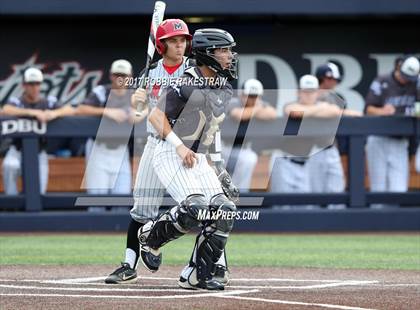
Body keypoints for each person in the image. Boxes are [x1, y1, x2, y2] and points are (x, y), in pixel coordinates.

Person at [104, 20, 234, 285]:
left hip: (189, 145)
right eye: (174, 41)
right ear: (161, 45)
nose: (180, 45)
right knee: (143, 209)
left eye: (183, 40)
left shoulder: (195, 67)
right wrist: (136, 100)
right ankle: (129, 263)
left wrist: (216, 163)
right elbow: (145, 112)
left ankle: (212, 265)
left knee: (215, 207)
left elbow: (207, 122)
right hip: (158, 142)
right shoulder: (150, 71)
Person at [137, 28, 239, 290]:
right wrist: (180, 146)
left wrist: (218, 167)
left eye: (229, 50)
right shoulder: (186, 82)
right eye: (223, 50)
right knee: (195, 208)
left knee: (224, 209)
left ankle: (197, 274)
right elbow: (155, 117)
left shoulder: (223, 86)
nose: (229, 56)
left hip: (199, 155)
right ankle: (150, 236)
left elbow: (210, 131)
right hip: (169, 151)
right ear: (208, 54)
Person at [271, 75, 359, 207]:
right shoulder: (290, 105)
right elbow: (293, 112)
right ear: (298, 92)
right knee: (282, 206)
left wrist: (308, 112)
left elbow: (334, 111)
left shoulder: (325, 106)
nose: (308, 95)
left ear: (317, 93)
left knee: (306, 206)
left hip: (305, 163)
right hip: (284, 160)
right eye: (305, 91)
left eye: (312, 92)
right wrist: (316, 111)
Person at [2, 67, 75, 194]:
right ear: (24, 85)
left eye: (37, 83)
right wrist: (33, 112)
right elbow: (6, 109)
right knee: (9, 166)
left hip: (39, 152)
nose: (34, 87)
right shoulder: (17, 101)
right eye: (31, 84)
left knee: (39, 193)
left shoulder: (48, 102)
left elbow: (70, 110)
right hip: (17, 150)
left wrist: (54, 113)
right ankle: (12, 206)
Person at [77, 59, 138, 212]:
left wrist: (137, 113)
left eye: (124, 75)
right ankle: (94, 233)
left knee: (123, 199)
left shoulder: (135, 94)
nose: (120, 79)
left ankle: (119, 235)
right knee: (97, 200)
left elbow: (150, 110)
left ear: (130, 76)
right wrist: (106, 111)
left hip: (121, 151)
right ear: (111, 76)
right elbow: (81, 109)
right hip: (98, 150)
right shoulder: (101, 91)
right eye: (117, 74)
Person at [365, 56, 420, 205]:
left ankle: (394, 226)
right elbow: (368, 109)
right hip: (379, 139)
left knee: (399, 189)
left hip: (400, 141)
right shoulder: (382, 80)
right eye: (404, 75)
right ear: (398, 68)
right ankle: (375, 226)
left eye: (410, 77)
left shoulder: (416, 83)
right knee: (378, 188)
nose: (406, 79)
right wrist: (382, 110)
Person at [308, 63, 362, 208]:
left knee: (337, 191)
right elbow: (323, 112)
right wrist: (341, 112)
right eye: (334, 79)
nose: (336, 82)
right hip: (313, 150)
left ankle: (337, 228)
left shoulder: (334, 97)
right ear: (326, 78)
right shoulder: (310, 95)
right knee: (315, 195)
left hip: (331, 148)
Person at [222, 78, 276, 192]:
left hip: (243, 149)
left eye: (255, 96)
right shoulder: (233, 102)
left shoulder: (261, 104)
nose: (253, 99)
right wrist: (257, 109)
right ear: (241, 95)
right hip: (224, 148)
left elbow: (272, 113)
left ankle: (240, 198)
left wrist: (253, 110)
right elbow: (238, 115)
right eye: (250, 96)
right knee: (221, 185)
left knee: (250, 159)